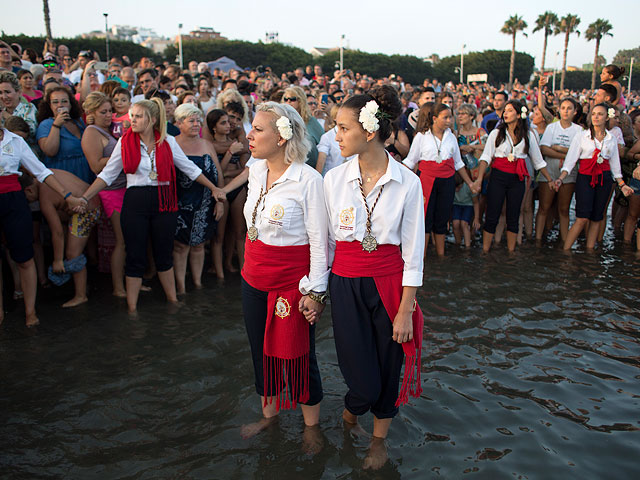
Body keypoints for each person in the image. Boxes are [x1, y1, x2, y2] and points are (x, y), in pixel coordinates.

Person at [324, 85, 424, 470]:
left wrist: (406, 309)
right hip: (345, 282)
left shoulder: (407, 182)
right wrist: (316, 292)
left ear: (368, 132)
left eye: (342, 128)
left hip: (389, 285)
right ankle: (352, 413)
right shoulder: (332, 180)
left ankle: (378, 440)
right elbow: (325, 247)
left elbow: (414, 252)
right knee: (362, 380)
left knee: (387, 368)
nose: (336, 135)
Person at [76, 98, 226, 313]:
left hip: (164, 201)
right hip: (135, 200)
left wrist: (214, 188)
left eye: (138, 116)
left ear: (152, 120)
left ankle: (173, 302)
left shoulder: (168, 142)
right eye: (131, 115)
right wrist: (84, 197)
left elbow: (190, 170)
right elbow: (107, 175)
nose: (131, 120)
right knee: (135, 255)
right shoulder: (124, 142)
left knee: (164, 253)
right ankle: (132, 308)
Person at [240, 102, 329, 450]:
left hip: (292, 284)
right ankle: (269, 416)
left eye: (258, 129)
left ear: (281, 138)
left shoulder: (309, 180)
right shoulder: (256, 170)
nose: (250, 134)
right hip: (253, 276)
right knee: (259, 350)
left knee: (299, 356)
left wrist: (315, 293)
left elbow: (321, 244)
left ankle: (311, 428)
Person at [0, 114, 84, 326]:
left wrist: (67, 195)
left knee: (24, 257)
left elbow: (41, 172)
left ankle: (30, 312)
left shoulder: (15, 141)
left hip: (13, 201)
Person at [472, 100, 554, 252]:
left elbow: (538, 161)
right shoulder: (497, 133)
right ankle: (485, 250)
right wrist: (479, 179)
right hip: (498, 176)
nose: (505, 114)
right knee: (492, 214)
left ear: (518, 114)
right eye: (505, 111)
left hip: (517, 178)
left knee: (514, 214)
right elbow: (485, 158)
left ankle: (511, 252)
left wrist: (550, 179)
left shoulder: (528, 135)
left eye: (509, 111)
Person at [555, 103, 633, 250]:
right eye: (594, 114)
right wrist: (561, 178)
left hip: (604, 179)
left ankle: (590, 252)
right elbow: (570, 161)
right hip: (585, 178)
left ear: (606, 117)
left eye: (600, 114)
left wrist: (622, 185)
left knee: (597, 217)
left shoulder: (611, 139)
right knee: (582, 218)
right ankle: (566, 250)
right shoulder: (582, 136)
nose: (596, 117)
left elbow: (615, 167)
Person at [403, 102, 474, 256]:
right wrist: (398, 177)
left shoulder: (451, 137)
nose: (449, 121)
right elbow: (410, 161)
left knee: (442, 218)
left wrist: (470, 182)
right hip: (426, 181)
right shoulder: (422, 137)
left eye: (450, 117)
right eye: (446, 117)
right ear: (435, 118)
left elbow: (458, 163)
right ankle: (422, 257)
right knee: (425, 219)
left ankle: (441, 256)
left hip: (446, 181)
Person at [173, 104, 224, 294]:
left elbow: (218, 174)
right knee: (180, 246)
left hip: (205, 203)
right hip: (180, 203)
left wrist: (219, 202)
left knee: (199, 244)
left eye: (198, 120)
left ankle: (197, 283)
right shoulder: (173, 144)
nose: (196, 124)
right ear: (179, 123)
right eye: (191, 120)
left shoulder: (206, 144)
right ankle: (181, 287)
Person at [81, 92, 126, 297]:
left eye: (110, 111)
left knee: (128, 239)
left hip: (124, 187)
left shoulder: (108, 130)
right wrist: (123, 153)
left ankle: (128, 281)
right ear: (91, 113)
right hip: (111, 191)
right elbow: (95, 165)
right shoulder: (91, 132)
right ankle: (118, 288)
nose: (109, 115)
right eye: (103, 112)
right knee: (121, 240)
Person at [39, 169, 101, 307]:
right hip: (90, 200)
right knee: (73, 247)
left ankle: (81, 295)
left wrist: (58, 260)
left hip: (87, 209)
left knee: (73, 254)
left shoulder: (44, 194)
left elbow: (57, 232)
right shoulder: (47, 172)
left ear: (29, 191)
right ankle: (84, 285)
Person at [207, 108, 249, 278]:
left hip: (237, 188)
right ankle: (219, 275)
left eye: (228, 122)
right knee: (219, 235)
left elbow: (242, 169)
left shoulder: (236, 140)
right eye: (223, 123)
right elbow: (219, 172)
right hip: (221, 189)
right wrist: (230, 153)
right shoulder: (212, 146)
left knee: (240, 232)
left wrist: (229, 171)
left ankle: (244, 271)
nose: (228, 125)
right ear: (214, 127)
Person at [535, 97, 583, 242]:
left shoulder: (579, 130)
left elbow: (579, 154)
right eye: (563, 108)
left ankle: (564, 241)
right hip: (549, 169)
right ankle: (537, 239)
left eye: (569, 108)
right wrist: (568, 153)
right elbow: (544, 149)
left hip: (568, 172)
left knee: (564, 209)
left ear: (575, 112)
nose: (566, 111)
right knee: (544, 207)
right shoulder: (551, 127)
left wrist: (559, 148)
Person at [36, 86, 95, 184]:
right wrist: (56, 125)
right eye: (55, 102)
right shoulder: (46, 125)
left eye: (64, 101)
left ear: (70, 104)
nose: (60, 105)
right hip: (64, 175)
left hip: (85, 173)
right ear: (49, 105)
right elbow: (50, 151)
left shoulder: (78, 121)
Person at [282, 86, 324, 168]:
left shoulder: (311, 121)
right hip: (288, 166)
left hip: (310, 166)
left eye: (292, 99)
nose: (288, 102)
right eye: (286, 99)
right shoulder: (282, 120)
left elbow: (323, 143)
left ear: (300, 100)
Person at [0, 71, 37, 141]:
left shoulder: (28, 108)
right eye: (0, 93)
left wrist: (6, 115)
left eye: (7, 92)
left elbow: (29, 131)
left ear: (19, 92)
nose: (4, 97)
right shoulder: (1, 110)